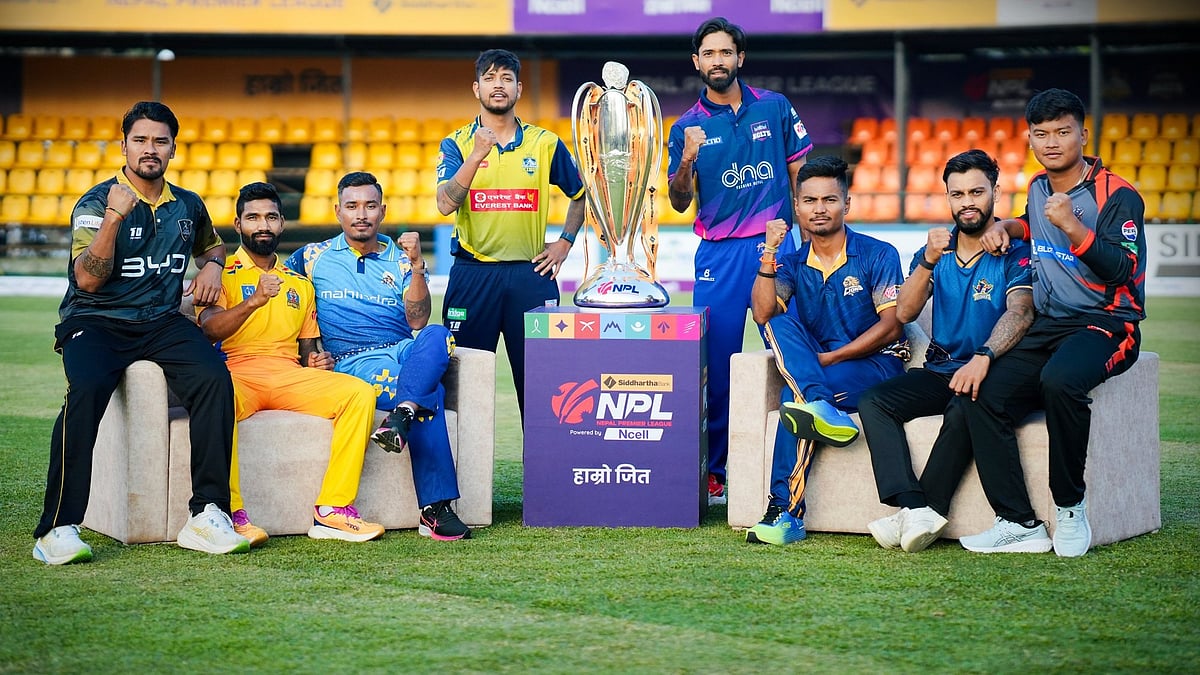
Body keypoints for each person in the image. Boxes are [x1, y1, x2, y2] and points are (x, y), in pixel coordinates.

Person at [33, 101, 248, 565]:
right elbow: (87, 278)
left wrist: (211, 266)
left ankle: (207, 513)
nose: (150, 150)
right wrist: (114, 216)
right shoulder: (95, 202)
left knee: (214, 380)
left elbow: (214, 245)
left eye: (160, 141)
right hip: (96, 319)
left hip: (161, 321)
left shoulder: (188, 204)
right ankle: (57, 528)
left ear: (173, 147)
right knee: (87, 389)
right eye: (141, 140)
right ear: (124, 145)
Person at [971, 88, 1146, 557]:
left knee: (1060, 382)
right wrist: (1005, 228)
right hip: (1049, 324)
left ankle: (1070, 508)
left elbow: (1123, 270)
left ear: (1083, 135)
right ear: (1029, 137)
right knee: (983, 392)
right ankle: (1018, 522)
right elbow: (1032, 224)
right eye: (1041, 133)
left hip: (1108, 323)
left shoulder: (1118, 194)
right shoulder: (1038, 187)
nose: (1051, 142)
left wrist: (1074, 227)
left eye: (1063, 132)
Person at [857, 150, 1037, 553]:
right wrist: (926, 261)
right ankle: (912, 504)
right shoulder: (938, 250)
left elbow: (1021, 312)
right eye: (957, 194)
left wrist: (984, 356)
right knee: (875, 402)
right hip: (941, 369)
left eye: (976, 191)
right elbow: (903, 312)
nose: (967, 202)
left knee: (965, 405)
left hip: (992, 370)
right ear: (947, 197)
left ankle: (924, 511)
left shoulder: (1013, 249)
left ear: (995, 191)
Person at [667, 17, 813, 505]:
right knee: (719, 367)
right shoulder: (686, 126)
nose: (717, 61)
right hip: (720, 256)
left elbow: (799, 171)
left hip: (778, 245)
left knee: (793, 354)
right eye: (707, 54)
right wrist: (686, 160)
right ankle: (716, 472)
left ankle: (798, 458)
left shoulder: (773, 106)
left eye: (724, 53)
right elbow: (679, 201)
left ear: (739, 58)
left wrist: (805, 231)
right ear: (697, 63)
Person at [196, 182, 385, 547]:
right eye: (253, 217)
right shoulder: (220, 273)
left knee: (358, 393)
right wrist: (254, 301)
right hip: (236, 373)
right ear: (237, 225)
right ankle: (231, 515)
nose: (262, 224)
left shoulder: (299, 282)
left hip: (287, 375)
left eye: (270, 216)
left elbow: (307, 350)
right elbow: (209, 330)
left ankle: (332, 510)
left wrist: (316, 361)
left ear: (282, 224)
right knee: (215, 400)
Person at [287, 171, 471, 541]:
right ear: (337, 211)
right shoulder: (311, 257)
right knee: (429, 395)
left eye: (370, 206)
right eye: (352, 206)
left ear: (382, 211)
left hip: (404, 349)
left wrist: (418, 266)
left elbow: (417, 320)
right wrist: (305, 354)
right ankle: (435, 510)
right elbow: (288, 306)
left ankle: (402, 414)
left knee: (438, 333)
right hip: (355, 361)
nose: (361, 214)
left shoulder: (401, 258)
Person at [745, 155, 906, 545]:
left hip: (877, 365)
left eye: (829, 200)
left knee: (792, 397)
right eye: (810, 201)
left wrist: (831, 359)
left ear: (846, 205)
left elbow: (893, 326)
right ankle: (816, 400)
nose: (820, 209)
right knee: (776, 319)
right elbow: (762, 312)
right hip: (822, 371)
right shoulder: (792, 261)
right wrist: (769, 251)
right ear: (797, 207)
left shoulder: (878, 253)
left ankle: (784, 513)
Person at [435, 48, 586, 421]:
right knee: (463, 383)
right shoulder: (456, 143)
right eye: (489, 78)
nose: (497, 85)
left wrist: (565, 242)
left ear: (519, 89)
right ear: (476, 88)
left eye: (506, 78)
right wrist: (477, 155)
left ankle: (543, 476)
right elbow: (444, 204)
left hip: (530, 276)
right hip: (473, 275)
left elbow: (582, 196)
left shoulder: (545, 143)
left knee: (542, 383)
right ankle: (462, 476)